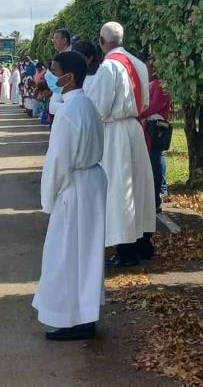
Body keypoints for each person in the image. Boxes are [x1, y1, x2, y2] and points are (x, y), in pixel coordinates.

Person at [33, 51, 107, 341]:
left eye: (54, 71)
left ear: (69, 77)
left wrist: (49, 198)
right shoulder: (86, 105)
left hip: (74, 187)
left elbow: (58, 161)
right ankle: (85, 315)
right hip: (91, 181)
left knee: (66, 254)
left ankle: (73, 317)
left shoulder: (68, 114)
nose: (49, 76)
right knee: (86, 254)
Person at [85, 22, 156, 267]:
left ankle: (126, 250)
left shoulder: (109, 67)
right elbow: (145, 101)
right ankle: (143, 243)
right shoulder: (138, 64)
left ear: (102, 42)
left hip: (115, 131)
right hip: (135, 127)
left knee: (119, 190)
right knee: (138, 188)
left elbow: (99, 107)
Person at [140, 58, 172, 213]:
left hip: (155, 128)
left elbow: (153, 106)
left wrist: (138, 113)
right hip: (149, 127)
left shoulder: (159, 85)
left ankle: (157, 197)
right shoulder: (154, 84)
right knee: (153, 161)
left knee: (155, 162)